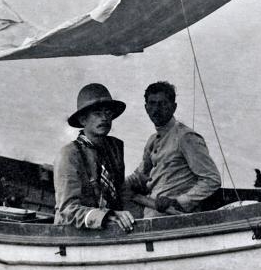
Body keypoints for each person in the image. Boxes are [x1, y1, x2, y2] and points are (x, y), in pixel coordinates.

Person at [126, 81, 221, 216]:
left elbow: (212, 179)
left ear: (174, 107)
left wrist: (178, 201)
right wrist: (118, 183)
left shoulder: (186, 137)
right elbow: (140, 175)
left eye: (163, 103)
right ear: (146, 107)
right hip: (150, 215)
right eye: (152, 104)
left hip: (175, 218)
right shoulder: (153, 140)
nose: (156, 109)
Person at [53, 83, 136, 232]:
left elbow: (121, 193)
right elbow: (67, 210)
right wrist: (107, 216)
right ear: (83, 120)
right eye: (97, 113)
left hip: (111, 229)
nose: (104, 118)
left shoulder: (115, 147)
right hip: (74, 234)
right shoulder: (69, 155)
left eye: (108, 113)